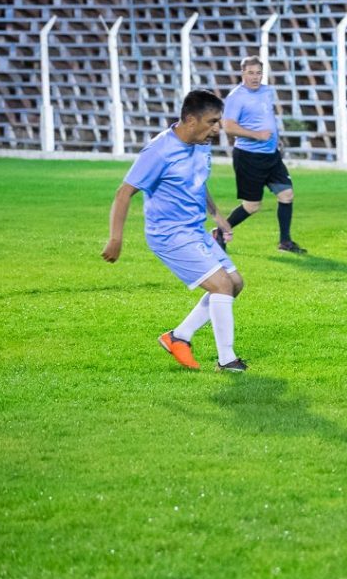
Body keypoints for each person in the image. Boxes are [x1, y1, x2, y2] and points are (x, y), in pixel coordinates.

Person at [101, 89, 248, 372]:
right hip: (169, 235)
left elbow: (198, 181)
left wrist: (217, 215)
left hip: (194, 230)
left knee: (235, 283)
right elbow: (124, 193)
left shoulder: (201, 144)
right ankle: (227, 359)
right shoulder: (159, 151)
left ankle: (179, 336)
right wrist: (115, 238)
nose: (217, 129)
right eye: (212, 122)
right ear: (191, 120)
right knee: (221, 285)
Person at [215, 55, 306, 254]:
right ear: (242, 73)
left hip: (271, 155)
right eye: (251, 73)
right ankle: (220, 232)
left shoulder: (266, 91)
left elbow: (265, 118)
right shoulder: (236, 97)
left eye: (258, 73)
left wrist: (276, 139)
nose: (255, 77)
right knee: (252, 206)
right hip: (249, 157)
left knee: (286, 195)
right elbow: (228, 127)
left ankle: (285, 242)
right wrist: (256, 135)